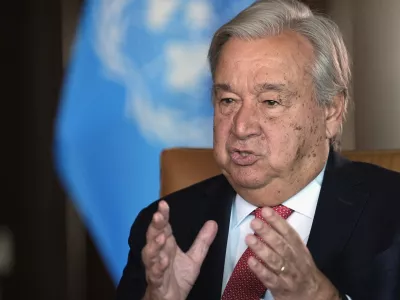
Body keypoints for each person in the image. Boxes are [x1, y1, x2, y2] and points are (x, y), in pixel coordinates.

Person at [116, 0, 400, 299]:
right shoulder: (168, 228)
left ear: (330, 111)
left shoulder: (392, 216)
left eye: (270, 102)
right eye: (228, 101)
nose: (241, 127)